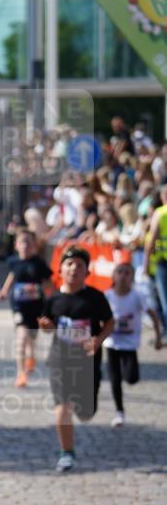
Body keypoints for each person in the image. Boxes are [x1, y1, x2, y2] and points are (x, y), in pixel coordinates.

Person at [38, 246, 114, 473]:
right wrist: (46, 327)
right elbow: (48, 326)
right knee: (62, 407)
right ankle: (66, 453)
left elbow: (110, 324)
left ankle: (83, 410)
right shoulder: (53, 300)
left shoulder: (95, 298)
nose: (74, 269)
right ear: (60, 270)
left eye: (79, 265)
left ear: (86, 272)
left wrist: (98, 340)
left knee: (86, 413)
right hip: (60, 360)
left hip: (88, 362)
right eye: (69, 264)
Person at [104, 262, 162, 427]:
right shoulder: (107, 295)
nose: (123, 276)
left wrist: (158, 337)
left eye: (127, 273)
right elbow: (96, 317)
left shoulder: (137, 296)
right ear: (113, 276)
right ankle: (119, 412)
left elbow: (153, 315)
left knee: (131, 378)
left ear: (132, 278)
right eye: (120, 272)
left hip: (129, 344)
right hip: (112, 343)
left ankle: (126, 373)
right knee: (115, 380)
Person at [0, 228, 53, 387]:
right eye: (22, 242)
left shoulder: (39, 263)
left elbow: (48, 284)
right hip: (18, 307)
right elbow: (12, 276)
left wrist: (50, 301)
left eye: (29, 242)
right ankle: (20, 374)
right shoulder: (13, 262)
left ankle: (31, 356)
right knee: (21, 338)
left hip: (36, 307)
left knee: (31, 339)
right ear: (16, 245)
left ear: (34, 245)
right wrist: (4, 290)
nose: (25, 245)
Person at [143, 183, 167, 337]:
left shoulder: (161, 213)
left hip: (163, 263)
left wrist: (145, 265)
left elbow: (151, 241)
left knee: (164, 300)